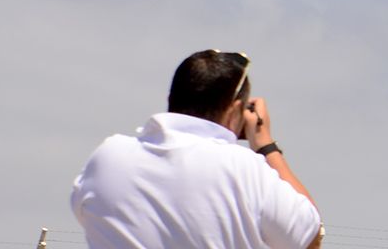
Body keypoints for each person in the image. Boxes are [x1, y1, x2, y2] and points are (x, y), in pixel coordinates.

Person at [71, 50, 323, 248]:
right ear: (236, 110)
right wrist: (265, 144)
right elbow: (309, 237)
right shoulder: (245, 168)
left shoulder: (107, 158)